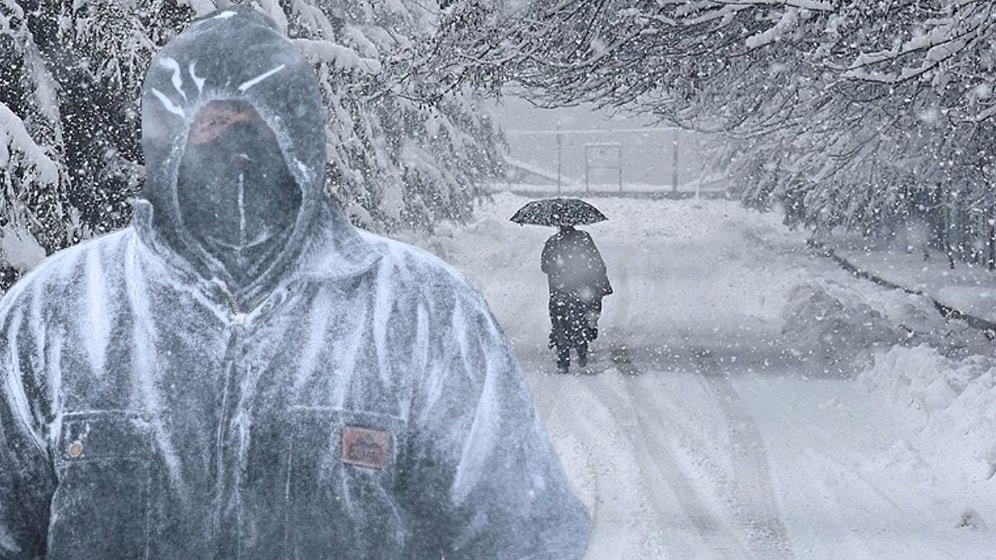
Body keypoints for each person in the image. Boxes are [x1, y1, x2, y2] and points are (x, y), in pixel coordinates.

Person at [0, 7, 590, 559]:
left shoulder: (421, 309)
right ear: (166, 140)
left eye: (258, 122)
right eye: (212, 124)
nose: (235, 147)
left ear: (300, 137)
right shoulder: (56, 312)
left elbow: (523, 534)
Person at [541, 224, 612, 373]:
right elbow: (596, 262)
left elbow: (545, 266)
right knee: (576, 322)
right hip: (577, 291)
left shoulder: (553, 242)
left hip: (561, 292)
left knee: (562, 324)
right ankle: (578, 351)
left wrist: (559, 267)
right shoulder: (582, 239)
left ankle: (565, 359)